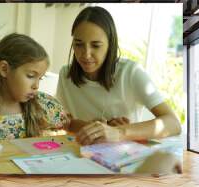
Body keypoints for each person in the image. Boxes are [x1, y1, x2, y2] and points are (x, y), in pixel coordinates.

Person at [56, 6, 181, 145]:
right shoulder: (65, 75)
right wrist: (100, 129)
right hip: (84, 154)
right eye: (78, 44)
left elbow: (173, 124)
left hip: (126, 155)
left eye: (96, 45)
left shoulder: (131, 72)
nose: (86, 54)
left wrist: (119, 132)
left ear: (111, 45)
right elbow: (65, 123)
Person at [0, 33, 69, 140]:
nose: (36, 86)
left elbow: (70, 125)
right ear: (4, 69)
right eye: (30, 76)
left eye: (40, 78)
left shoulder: (46, 106)